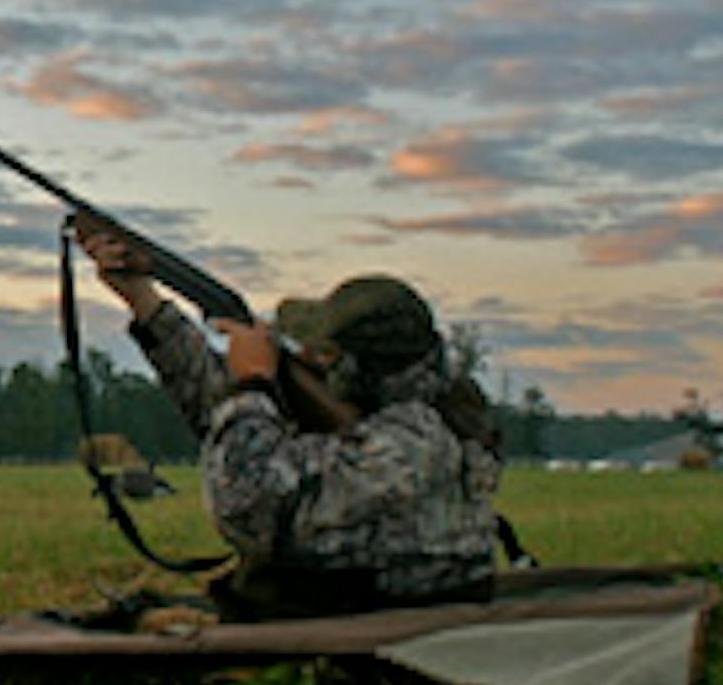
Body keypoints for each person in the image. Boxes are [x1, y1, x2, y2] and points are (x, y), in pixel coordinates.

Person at [76, 219, 502, 622]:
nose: (305, 356)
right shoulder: (400, 418)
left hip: (359, 630)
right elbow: (224, 419)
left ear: (347, 369)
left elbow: (244, 501)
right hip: (358, 612)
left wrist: (255, 383)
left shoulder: (409, 444)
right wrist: (144, 300)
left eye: (319, 353)